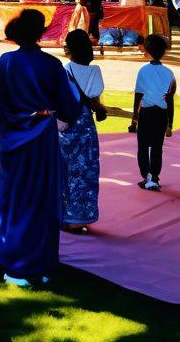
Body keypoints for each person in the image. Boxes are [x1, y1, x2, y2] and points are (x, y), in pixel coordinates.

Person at [0, 9, 81, 287]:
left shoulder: (6, 62)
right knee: (42, 199)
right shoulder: (52, 65)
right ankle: (38, 263)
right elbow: (70, 106)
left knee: (16, 199)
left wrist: (19, 119)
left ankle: (15, 264)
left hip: (15, 140)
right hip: (42, 142)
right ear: (41, 31)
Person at [59, 29, 104, 232]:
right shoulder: (95, 71)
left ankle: (63, 213)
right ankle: (81, 217)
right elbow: (95, 98)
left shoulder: (64, 70)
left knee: (65, 170)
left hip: (66, 125)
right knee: (86, 171)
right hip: (86, 126)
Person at [130, 33, 176, 191]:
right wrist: (170, 123)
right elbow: (170, 99)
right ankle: (154, 177)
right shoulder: (169, 72)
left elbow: (138, 95)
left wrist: (134, 118)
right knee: (157, 146)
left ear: (147, 50)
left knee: (143, 146)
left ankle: (146, 176)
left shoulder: (143, 71)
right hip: (161, 114)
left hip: (147, 113)